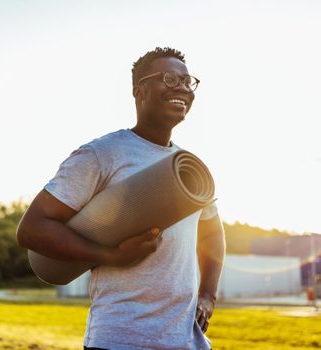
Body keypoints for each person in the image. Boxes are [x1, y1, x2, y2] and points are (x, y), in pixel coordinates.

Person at [17, 47, 225, 350]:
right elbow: (32, 228)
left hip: (187, 342)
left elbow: (212, 233)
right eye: (169, 78)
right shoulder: (102, 154)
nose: (181, 87)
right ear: (139, 91)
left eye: (187, 80)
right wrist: (112, 256)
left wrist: (208, 295)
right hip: (119, 338)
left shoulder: (190, 167)